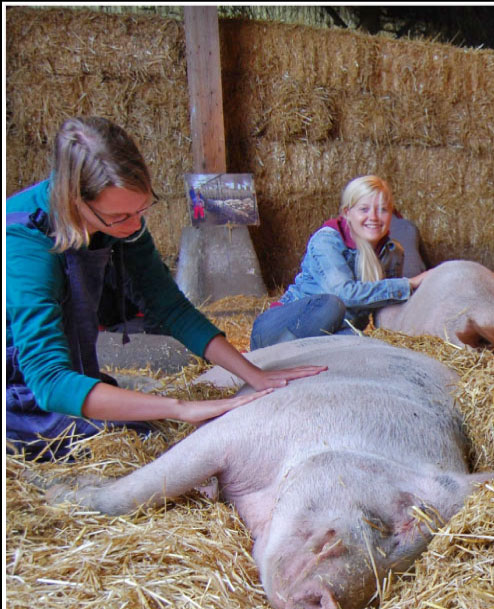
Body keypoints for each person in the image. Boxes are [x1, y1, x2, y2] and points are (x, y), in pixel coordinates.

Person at [5, 116, 325, 461]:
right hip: (25, 389)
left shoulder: (123, 223)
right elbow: (48, 380)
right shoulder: (25, 238)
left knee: (143, 432)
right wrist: (180, 407)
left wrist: (254, 373)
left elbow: (170, 307)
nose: (133, 226)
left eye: (140, 211)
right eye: (119, 218)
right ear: (76, 201)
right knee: (121, 447)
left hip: (73, 375)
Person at [250, 175, 426, 349]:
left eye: (382, 210)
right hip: (279, 330)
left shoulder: (393, 253)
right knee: (332, 304)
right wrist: (408, 284)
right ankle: (285, 353)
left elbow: (384, 308)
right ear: (347, 213)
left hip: (336, 332)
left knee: (368, 345)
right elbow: (344, 295)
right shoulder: (327, 241)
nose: (373, 217)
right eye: (364, 209)